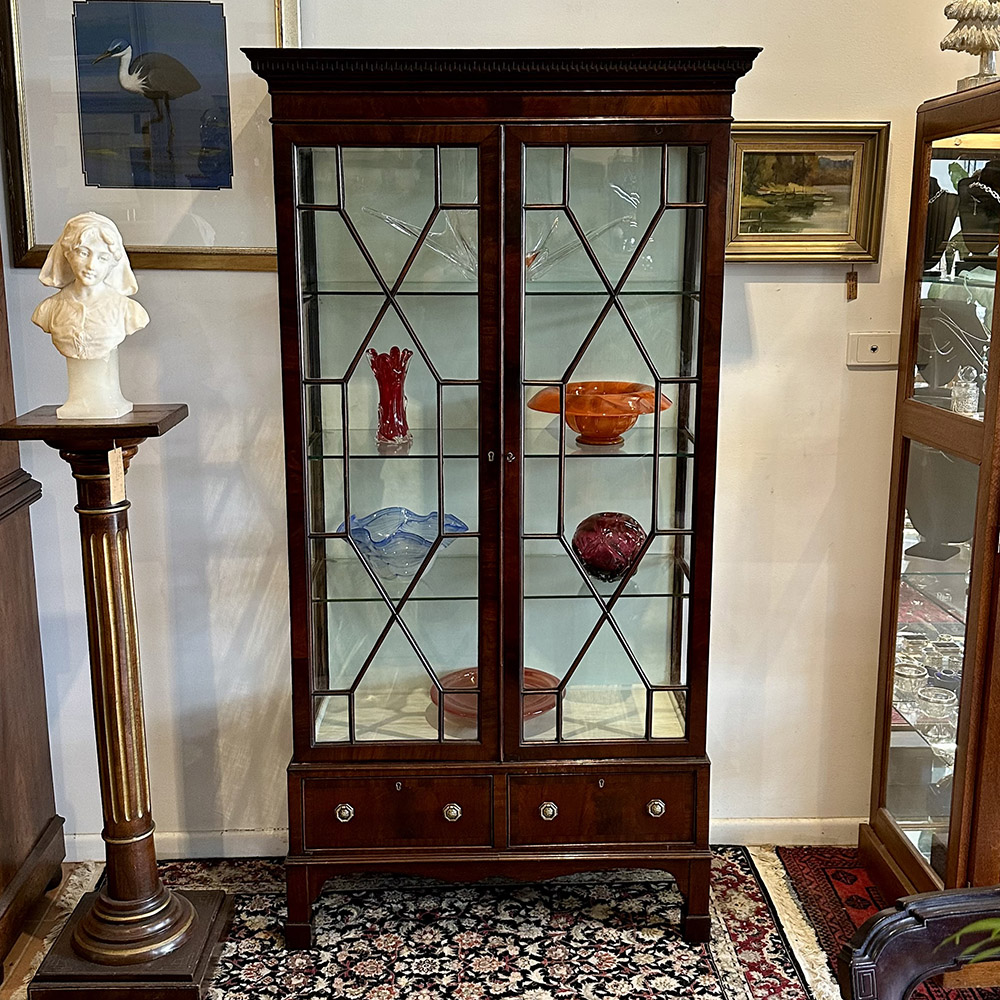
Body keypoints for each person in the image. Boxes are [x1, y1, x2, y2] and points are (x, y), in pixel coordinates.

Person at [31, 212, 149, 418]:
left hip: (111, 404)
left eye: (102, 257)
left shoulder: (127, 311)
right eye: (83, 253)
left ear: (113, 262)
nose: (91, 266)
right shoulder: (48, 309)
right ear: (68, 254)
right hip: (74, 406)